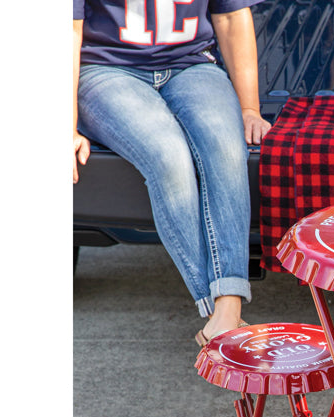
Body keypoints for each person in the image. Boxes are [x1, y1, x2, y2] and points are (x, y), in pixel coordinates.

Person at [73, 1, 272, 345]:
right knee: (169, 157)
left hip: (191, 66)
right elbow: (68, 31)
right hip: (106, 71)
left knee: (226, 149)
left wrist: (250, 107)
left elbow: (229, 17)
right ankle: (221, 314)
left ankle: (228, 310)